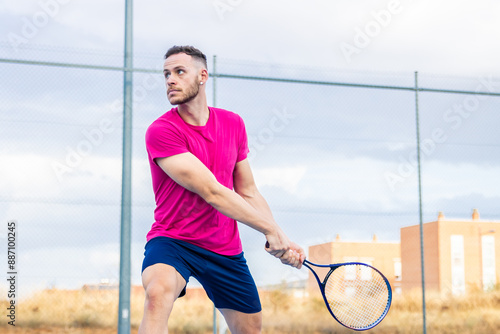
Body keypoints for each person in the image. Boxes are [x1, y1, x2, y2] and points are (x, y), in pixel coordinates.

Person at [139, 45, 305, 334]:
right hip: (174, 241)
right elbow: (211, 191)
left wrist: (282, 238)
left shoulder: (233, 123)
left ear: (202, 76)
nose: (170, 80)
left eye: (179, 72)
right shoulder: (161, 131)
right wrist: (269, 230)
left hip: (223, 247)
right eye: (166, 74)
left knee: (250, 329)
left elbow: (249, 191)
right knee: (158, 293)